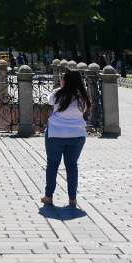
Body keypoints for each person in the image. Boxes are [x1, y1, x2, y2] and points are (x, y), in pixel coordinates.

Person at [41, 68, 91, 209]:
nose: (60, 80)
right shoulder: (83, 96)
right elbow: (85, 110)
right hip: (77, 135)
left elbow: (49, 102)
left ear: (66, 81)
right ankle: (72, 199)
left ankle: (49, 196)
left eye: (62, 78)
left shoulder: (58, 93)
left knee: (52, 164)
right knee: (72, 165)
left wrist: (61, 88)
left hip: (56, 134)